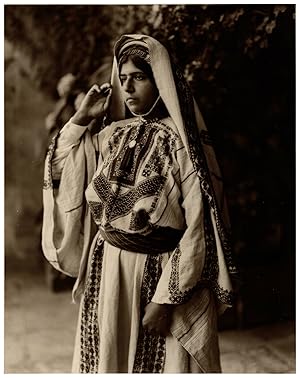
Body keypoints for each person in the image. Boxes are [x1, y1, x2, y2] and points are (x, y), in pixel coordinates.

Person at [42, 34, 237, 373]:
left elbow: (198, 229)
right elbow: (59, 168)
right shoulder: (113, 135)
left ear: (160, 81)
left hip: (159, 276)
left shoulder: (181, 146)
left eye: (139, 77)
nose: (128, 88)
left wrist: (164, 300)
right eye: (123, 78)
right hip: (107, 272)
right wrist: (81, 118)